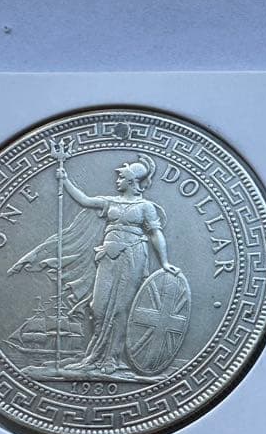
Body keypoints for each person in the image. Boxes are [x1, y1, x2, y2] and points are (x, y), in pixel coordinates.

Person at [10, 153, 179, 378]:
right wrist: (64, 180)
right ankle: (93, 357)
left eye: (121, 177)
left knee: (120, 309)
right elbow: (84, 200)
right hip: (107, 256)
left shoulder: (146, 207)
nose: (117, 180)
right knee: (98, 307)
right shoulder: (110, 202)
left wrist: (165, 262)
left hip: (133, 256)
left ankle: (112, 359)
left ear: (132, 181)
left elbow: (156, 234)